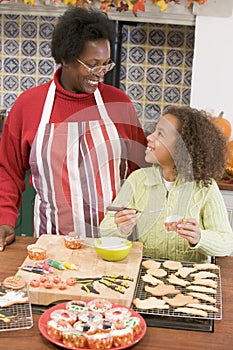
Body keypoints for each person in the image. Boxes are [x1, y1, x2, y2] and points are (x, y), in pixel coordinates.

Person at [0, 7, 147, 251]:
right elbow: (8, 171)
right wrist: (4, 219)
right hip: (53, 244)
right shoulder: (28, 106)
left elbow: (142, 171)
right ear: (66, 58)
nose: (100, 74)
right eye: (91, 65)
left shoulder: (119, 104)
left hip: (115, 244)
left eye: (105, 65)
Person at [100, 105, 233, 262]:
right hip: (148, 273)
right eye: (155, 131)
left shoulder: (205, 187)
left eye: (160, 134)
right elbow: (105, 230)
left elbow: (226, 244)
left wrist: (199, 237)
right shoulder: (138, 179)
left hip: (192, 278)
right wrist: (119, 227)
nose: (149, 137)